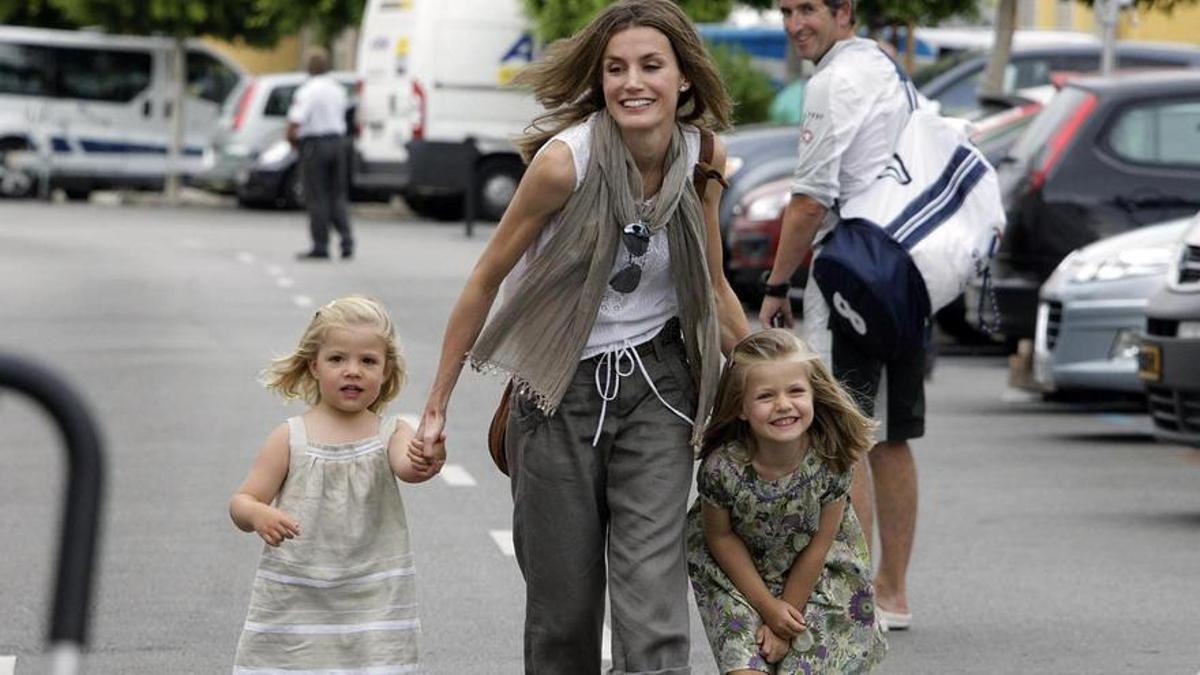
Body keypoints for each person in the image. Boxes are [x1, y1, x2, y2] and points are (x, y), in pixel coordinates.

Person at [412, 1, 750, 671]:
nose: (633, 83)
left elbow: (713, 285)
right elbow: (486, 280)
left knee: (653, 612)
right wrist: (436, 404)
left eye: (651, 66)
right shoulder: (565, 164)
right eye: (616, 68)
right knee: (564, 620)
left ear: (683, 78)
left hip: (662, 389)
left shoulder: (703, 158)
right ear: (599, 81)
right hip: (556, 391)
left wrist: (775, 382)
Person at [758, 0, 922, 632]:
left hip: (853, 267)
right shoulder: (888, 68)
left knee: (844, 434)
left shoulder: (831, 80)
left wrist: (776, 285)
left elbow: (808, 200)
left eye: (808, 9)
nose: (797, 23)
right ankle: (893, 593)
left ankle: (852, 597)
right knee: (894, 434)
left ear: (843, 10)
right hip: (905, 268)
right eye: (787, 11)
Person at [229, 295, 444, 671]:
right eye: (337, 359)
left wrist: (429, 456)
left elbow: (408, 466)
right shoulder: (290, 438)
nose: (353, 371)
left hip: (373, 593)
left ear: (386, 371)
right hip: (298, 593)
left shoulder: (390, 432)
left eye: (368, 361)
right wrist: (259, 514)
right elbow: (243, 501)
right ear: (314, 365)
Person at [686, 329, 886, 673]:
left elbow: (821, 544)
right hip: (739, 574)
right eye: (765, 396)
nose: (783, 405)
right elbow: (720, 538)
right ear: (741, 408)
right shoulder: (722, 469)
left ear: (814, 396)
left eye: (795, 391)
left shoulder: (830, 460)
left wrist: (785, 619)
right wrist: (768, 608)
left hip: (817, 576)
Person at [287, 47, 353, 260]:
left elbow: (296, 121)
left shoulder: (308, 90)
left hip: (315, 144)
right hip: (338, 143)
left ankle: (321, 245)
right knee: (337, 194)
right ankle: (346, 240)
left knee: (316, 195)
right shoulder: (338, 89)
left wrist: (292, 141)